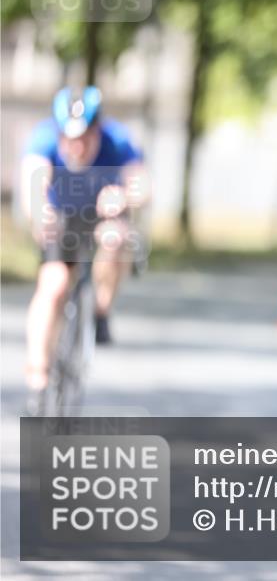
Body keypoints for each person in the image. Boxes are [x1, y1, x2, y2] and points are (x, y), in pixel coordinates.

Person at [20, 86, 148, 403]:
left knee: (115, 239)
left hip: (104, 215)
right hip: (62, 217)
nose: (76, 147)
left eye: (85, 138)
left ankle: (101, 310)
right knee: (53, 285)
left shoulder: (117, 140)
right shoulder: (43, 138)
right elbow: (32, 183)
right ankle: (38, 376)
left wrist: (125, 196)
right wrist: (40, 213)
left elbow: (143, 185)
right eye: (69, 139)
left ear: (97, 129)